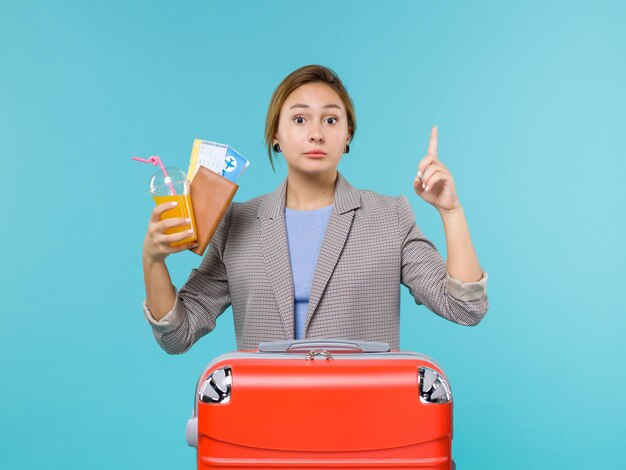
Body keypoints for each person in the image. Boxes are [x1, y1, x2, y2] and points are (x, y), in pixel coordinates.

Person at [141, 65, 488, 353]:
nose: (317, 134)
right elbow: (177, 335)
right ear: (275, 134)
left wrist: (451, 212)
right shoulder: (237, 223)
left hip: (364, 425)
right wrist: (152, 261)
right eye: (300, 120)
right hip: (265, 424)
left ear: (348, 134)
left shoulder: (390, 217)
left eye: (331, 120)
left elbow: (465, 307)